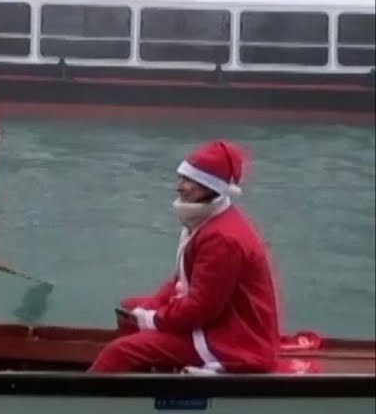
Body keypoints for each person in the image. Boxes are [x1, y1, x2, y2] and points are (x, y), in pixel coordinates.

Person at [89, 141, 283, 374]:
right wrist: (147, 309)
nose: (179, 187)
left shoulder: (222, 239)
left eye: (188, 181)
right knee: (129, 309)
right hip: (219, 323)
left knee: (119, 352)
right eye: (180, 178)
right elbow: (180, 282)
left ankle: (85, 394)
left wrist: (153, 319)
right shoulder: (209, 221)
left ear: (209, 187)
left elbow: (201, 309)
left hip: (233, 340)